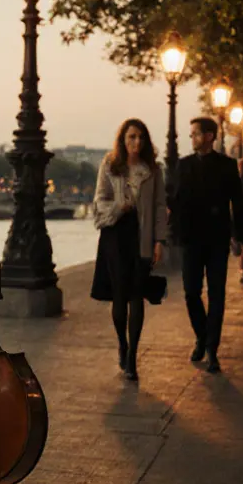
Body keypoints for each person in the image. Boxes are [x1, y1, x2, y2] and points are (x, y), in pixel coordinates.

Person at [90, 119, 167, 381]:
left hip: (141, 235)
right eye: (132, 137)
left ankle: (133, 356)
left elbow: (159, 207)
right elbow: (99, 199)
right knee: (120, 296)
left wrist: (160, 241)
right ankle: (122, 343)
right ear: (123, 139)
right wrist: (118, 207)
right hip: (115, 234)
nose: (136, 142)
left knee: (137, 294)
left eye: (141, 138)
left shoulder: (154, 170)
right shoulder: (110, 165)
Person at [171, 117, 243, 374]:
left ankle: (212, 350)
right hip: (191, 240)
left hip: (217, 240)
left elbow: (237, 202)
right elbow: (175, 200)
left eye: (195, 134)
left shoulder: (227, 166)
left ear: (209, 137)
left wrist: (241, 236)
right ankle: (202, 336)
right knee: (191, 292)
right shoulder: (183, 166)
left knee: (217, 295)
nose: (191, 138)